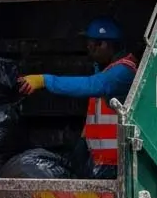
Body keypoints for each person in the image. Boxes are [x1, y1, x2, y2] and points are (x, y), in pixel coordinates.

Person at [17, 18, 137, 177]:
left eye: (91, 45)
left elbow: (92, 85)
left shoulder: (123, 71)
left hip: (116, 165)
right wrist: (83, 142)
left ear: (105, 44)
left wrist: (45, 80)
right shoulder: (105, 70)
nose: (88, 49)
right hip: (100, 161)